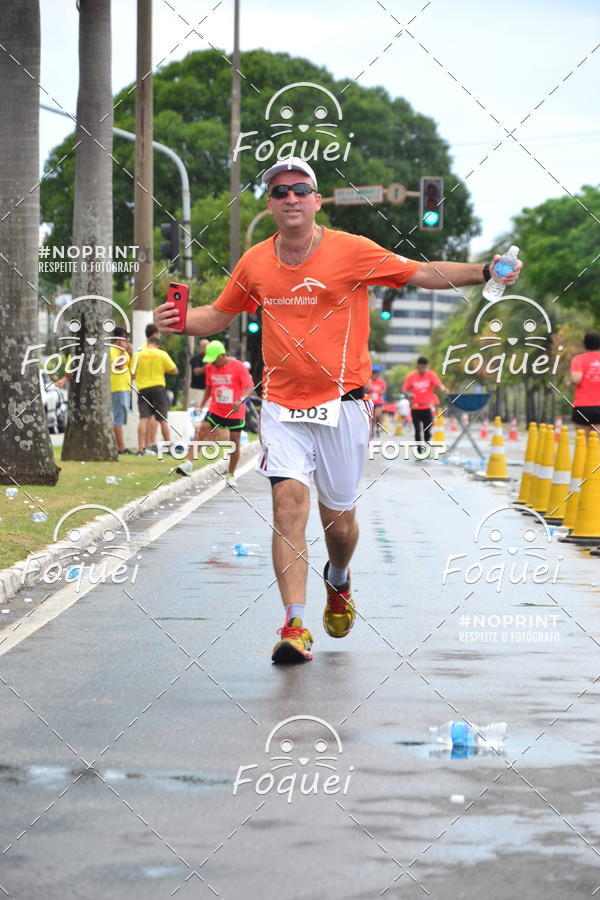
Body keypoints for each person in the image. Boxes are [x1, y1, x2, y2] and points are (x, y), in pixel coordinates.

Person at [154, 156, 522, 665]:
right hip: (282, 405)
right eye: (279, 191)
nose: (290, 199)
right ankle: (294, 625)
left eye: (300, 189)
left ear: (317, 199)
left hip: (343, 406)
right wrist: (176, 320)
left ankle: (340, 578)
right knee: (288, 506)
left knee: (339, 525)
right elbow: (218, 314)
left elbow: (420, 272)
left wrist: (484, 271)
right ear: (269, 202)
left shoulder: (352, 251)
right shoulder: (255, 261)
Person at [177, 340, 254, 484]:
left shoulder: (238, 366)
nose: (211, 363)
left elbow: (249, 388)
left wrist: (241, 401)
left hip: (235, 411)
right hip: (216, 409)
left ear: (222, 356)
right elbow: (209, 387)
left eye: (213, 359)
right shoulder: (211, 368)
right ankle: (188, 464)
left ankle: (231, 475)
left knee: (234, 442)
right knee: (202, 430)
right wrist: (201, 404)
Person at [131, 335, 178, 455]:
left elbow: (132, 375)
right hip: (158, 388)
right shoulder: (162, 354)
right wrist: (162, 369)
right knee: (162, 419)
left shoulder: (138, 355)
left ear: (147, 343)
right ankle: (168, 448)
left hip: (143, 389)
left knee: (143, 419)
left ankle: (141, 449)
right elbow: (174, 370)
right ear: (158, 345)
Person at [402, 357, 448, 453]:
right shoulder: (411, 376)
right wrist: (408, 394)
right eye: (421, 367)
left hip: (427, 408)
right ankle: (419, 450)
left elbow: (439, 384)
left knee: (427, 430)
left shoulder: (431, 375)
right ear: (418, 366)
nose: (423, 369)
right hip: (415, 407)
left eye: (425, 367)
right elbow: (404, 389)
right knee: (417, 429)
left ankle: (426, 448)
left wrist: (443, 389)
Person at [570, 332, 600, 438]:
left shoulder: (579, 359)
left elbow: (576, 378)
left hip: (582, 406)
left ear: (585, 344)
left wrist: (570, 383)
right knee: (596, 443)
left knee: (582, 443)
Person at [110, 327, 133, 454]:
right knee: (118, 417)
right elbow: (119, 366)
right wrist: (123, 351)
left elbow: (132, 369)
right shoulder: (112, 350)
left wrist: (130, 352)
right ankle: (121, 448)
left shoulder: (122, 352)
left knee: (121, 416)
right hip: (117, 387)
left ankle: (120, 446)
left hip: (125, 387)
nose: (127, 341)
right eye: (125, 338)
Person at [366, 365, 387, 435]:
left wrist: (382, 392)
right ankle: (371, 431)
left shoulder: (381, 382)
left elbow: (384, 389)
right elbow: (365, 389)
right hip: (370, 401)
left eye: (377, 373)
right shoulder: (368, 381)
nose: (376, 375)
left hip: (379, 402)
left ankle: (378, 427)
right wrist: (368, 390)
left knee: (377, 415)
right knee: (372, 417)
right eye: (374, 373)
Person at [189, 338, 209, 409]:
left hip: (208, 390)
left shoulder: (211, 358)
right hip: (197, 389)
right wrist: (208, 367)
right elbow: (196, 372)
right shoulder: (195, 358)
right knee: (196, 410)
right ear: (201, 347)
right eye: (206, 347)